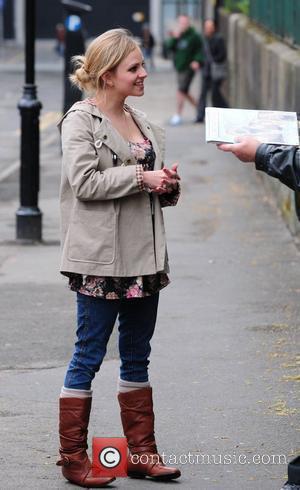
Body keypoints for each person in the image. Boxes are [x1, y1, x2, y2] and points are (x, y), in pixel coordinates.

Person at [56, 28, 181, 488]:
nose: (144, 73)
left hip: (144, 259)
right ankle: (72, 458)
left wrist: (166, 184)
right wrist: (142, 178)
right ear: (108, 75)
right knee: (87, 355)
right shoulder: (80, 121)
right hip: (101, 261)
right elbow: (84, 184)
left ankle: (141, 455)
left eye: (142, 65)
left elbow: (147, 188)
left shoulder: (142, 120)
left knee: (137, 357)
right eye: (134, 68)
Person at [165, 14, 203, 125]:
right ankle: (200, 109)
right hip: (179, 67)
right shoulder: (178, 35)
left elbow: (200, 50)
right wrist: (174, 38)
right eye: (181, 23)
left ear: (189, 23)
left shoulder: (194, 36)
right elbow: (169, 47)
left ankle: (178, 114)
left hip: (189, 68)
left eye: (185, 23)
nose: (183, 25)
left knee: (181, 90)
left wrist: (197, 60)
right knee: (184, 91)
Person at [195, 19, 228, 123]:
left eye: (210, 27)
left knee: (215, 95)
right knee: (203, 94)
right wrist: (199, 62)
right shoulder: (204, 40)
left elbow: (222, 55)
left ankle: (223, 112)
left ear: (214, 28)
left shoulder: (218, 39)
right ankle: (200, 116)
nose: (208, 29)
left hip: (215, 72)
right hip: (206, 71)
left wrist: (213, 60)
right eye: (206, 27)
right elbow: (202, 54)